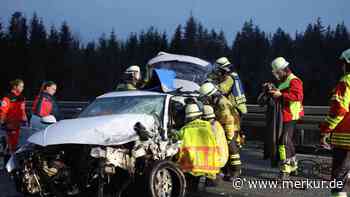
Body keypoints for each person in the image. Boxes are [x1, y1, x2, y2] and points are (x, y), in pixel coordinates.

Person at [320, 48, 350, 197]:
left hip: (345, 137)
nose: (341, 66)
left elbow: (339, 110)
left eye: (343, 63)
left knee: (338, 176)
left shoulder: (345, 82)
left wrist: (325, 130)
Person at [268, 57, 304, 179]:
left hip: (291, 115)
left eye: (278, 72)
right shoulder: (285, 81)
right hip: (284, 115)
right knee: (287, 141)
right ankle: (294, 167)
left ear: (283, 70)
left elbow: (298, 96)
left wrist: (280, 94)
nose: (277, 75)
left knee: (283, 142)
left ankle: (285, 170)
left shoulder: (294, 80)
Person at [199, 82, 242, 181]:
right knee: (224, 148)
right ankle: (227, 171)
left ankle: (236, 171)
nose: (206, 100)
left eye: (206, 97)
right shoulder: (216, 101)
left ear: (210, 95)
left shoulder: (222, 103)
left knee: (232, 148)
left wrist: (229, 136)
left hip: (231, 127)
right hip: (224, 126)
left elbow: (229, 120)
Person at [176, 103, 220, 193]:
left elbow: (178, 147)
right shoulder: (210, 126)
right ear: (199, 115)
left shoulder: (184, 130)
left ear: (187, 117)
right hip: (210, 166)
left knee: (192, 189)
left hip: (192, 167)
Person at [202, 105, 229, 186]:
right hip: (222, 156)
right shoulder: (216, 124)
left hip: (217, 159)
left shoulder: (211, 127)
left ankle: (213, 179)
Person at [0, 79, 27, 154]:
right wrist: (3, 122)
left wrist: (24, 119)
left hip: (18, 124)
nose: (22, 88)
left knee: (16, 144)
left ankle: (13, 158)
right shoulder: (7, 97)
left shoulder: (22, 98)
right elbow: (3, 111)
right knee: (11, 145)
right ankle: (8, 161)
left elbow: (23, 110)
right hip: (10, 124)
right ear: (15, 87)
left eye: (23, 87)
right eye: (20, 86)